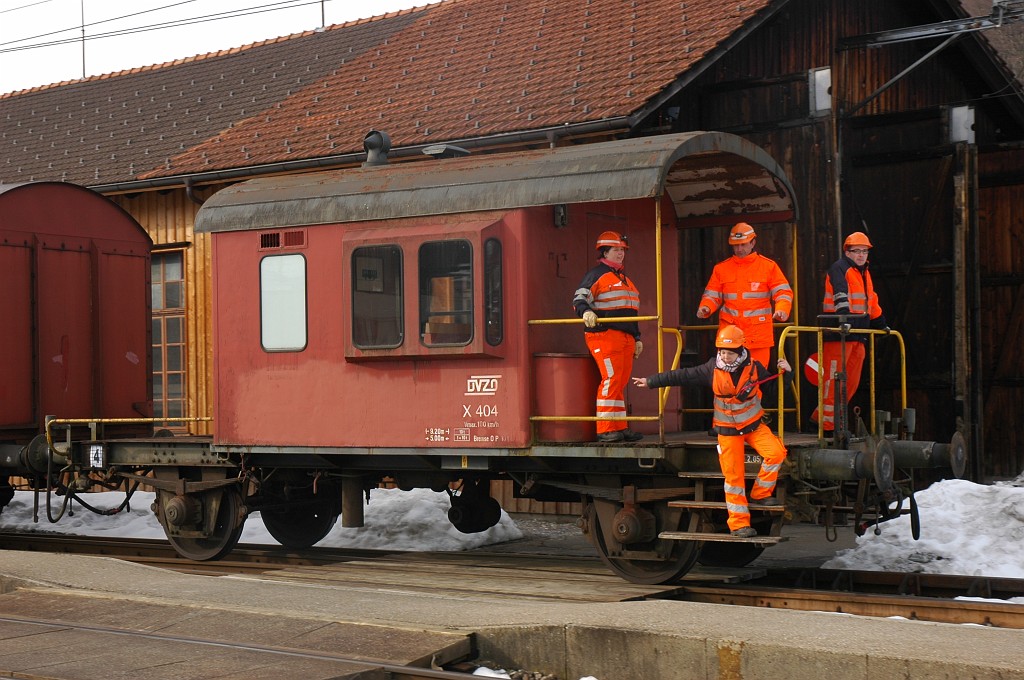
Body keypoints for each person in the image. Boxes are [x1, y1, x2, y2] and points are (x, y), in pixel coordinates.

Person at [632, 325, 790, 537]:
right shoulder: (710, 368)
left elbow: (773, 390)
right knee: (734, 479)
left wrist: (787, 373)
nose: (725, 356)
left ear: (740, 350)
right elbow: (682, 376)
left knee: (776, 453)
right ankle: (739, 525)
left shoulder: (754, 367)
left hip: (753, 425)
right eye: (722, 351)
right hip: (727, 431)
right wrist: (651, 381)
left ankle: (760, 493)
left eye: (729, 352)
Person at [813, 231, 889, 432]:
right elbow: (840, 293)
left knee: (851, 382)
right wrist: (844, 319)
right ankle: (826, 426)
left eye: (864, 251)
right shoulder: (839, 269)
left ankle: (831, 420)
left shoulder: (864, 273)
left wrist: (881, 324)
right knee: (833, 380)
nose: (861, 255)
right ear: (847, 251)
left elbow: (871, 300)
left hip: (859, 334)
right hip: (839, 335)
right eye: (857, 251)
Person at [573, 230, 644, 443]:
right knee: (611, 379)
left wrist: (637, 337)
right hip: (604, 335)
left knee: (620, 381)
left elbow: (630, 311)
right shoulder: (597, 275)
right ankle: (605, 429)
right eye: (616, 250)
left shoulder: (625, 280)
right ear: (605, 251)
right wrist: (585, 312)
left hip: (625, 337)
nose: (621, 254)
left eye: (622, 250)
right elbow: (579, 297)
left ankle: (619, 427)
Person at [697, 222, 793, 368]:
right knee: (727, 383)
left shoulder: (768, 267)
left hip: (757, 337)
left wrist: (782, 310)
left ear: (753, 242)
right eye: (736, 245)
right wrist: (706, 307)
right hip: (729, 339)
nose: (739, 249)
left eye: (743, 244)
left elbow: (783, 292)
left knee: (754, 381)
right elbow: (712, 295)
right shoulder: (721, 269)